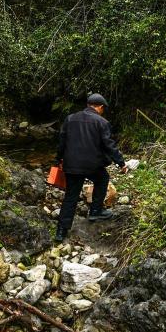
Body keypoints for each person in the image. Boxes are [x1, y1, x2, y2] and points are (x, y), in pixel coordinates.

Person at [53, 93, 128, 242]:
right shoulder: (102, 122)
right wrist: (121, 163)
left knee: (71, 196)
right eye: (103, 109)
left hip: (72, 165)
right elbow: (109, 145)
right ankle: (95, 211)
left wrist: (58, 159)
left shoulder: (70, 119)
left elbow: (62, 142)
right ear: (100, 107)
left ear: (88, 105)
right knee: (103, 178)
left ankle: (61, 231)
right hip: (92, 165)